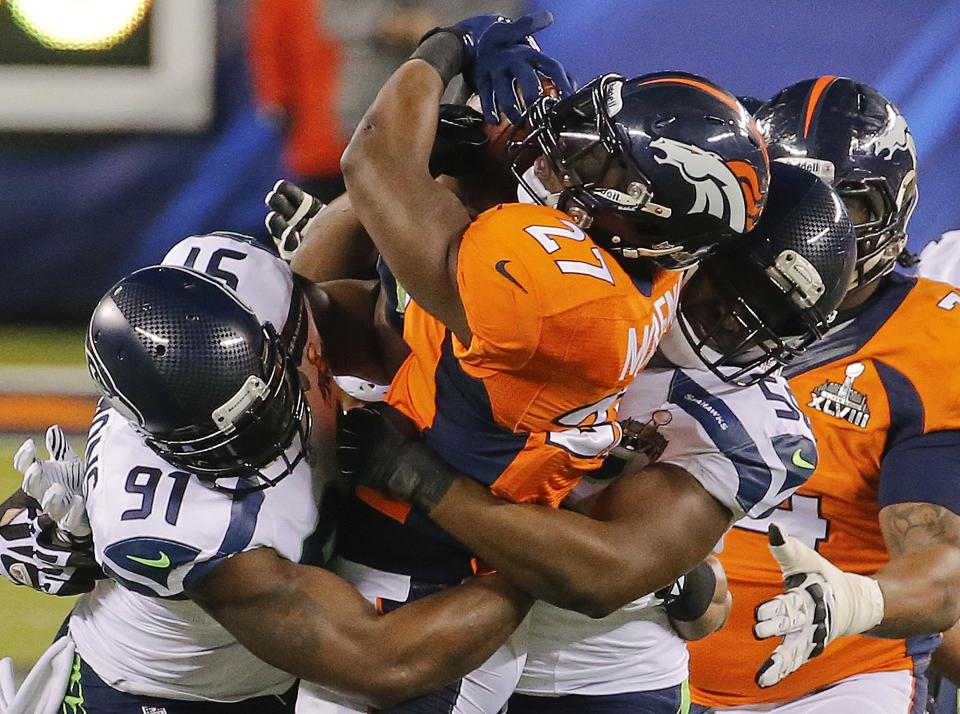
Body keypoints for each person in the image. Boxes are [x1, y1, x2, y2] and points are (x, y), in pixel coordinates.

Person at [340, 161, 856, 714]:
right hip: (429, 590)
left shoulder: (748, 422)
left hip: (595, 672)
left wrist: (422, 480)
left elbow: (600, 575)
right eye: (735, 286)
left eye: (774, 316)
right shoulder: (572, 271)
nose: (736, 322)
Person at [0, 231, 530, 713]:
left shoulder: (250, 287)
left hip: (278, 668)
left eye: (267, 394)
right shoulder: (182, 527)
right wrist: (537, 563)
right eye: (233, 431)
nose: (267, 428)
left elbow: (378, 317)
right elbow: (382, 664)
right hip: (170, 693)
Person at [687, 77, 960, 714]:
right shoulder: (683, 286)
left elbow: (940, 566)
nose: (823, 227)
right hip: (649, 648)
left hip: (831, 683)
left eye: (850, 205)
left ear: (896, 210)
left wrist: (857, 601)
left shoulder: (931, 342)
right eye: (801, 196)